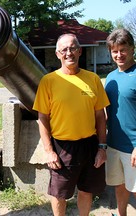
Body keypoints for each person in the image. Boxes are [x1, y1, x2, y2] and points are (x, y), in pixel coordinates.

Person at [33, 33, 109, 216]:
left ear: (80, 51)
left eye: (73, 48)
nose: (69, 53)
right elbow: (42, 119)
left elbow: (100, 116)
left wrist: (102, 147)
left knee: (86, 189)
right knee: (59, 194)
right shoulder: (48, 81)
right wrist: (49, 151)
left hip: (90, 144)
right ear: (58, 54)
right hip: (62, 146)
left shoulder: (93, 79)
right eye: (64, 49)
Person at [105, 28, 136, 216]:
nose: (119, 55)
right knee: (120, 185)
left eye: (123, 49)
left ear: (132, 49)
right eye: (115, 51)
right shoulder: (110, 78)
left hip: (133, 146)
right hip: (113, 145)